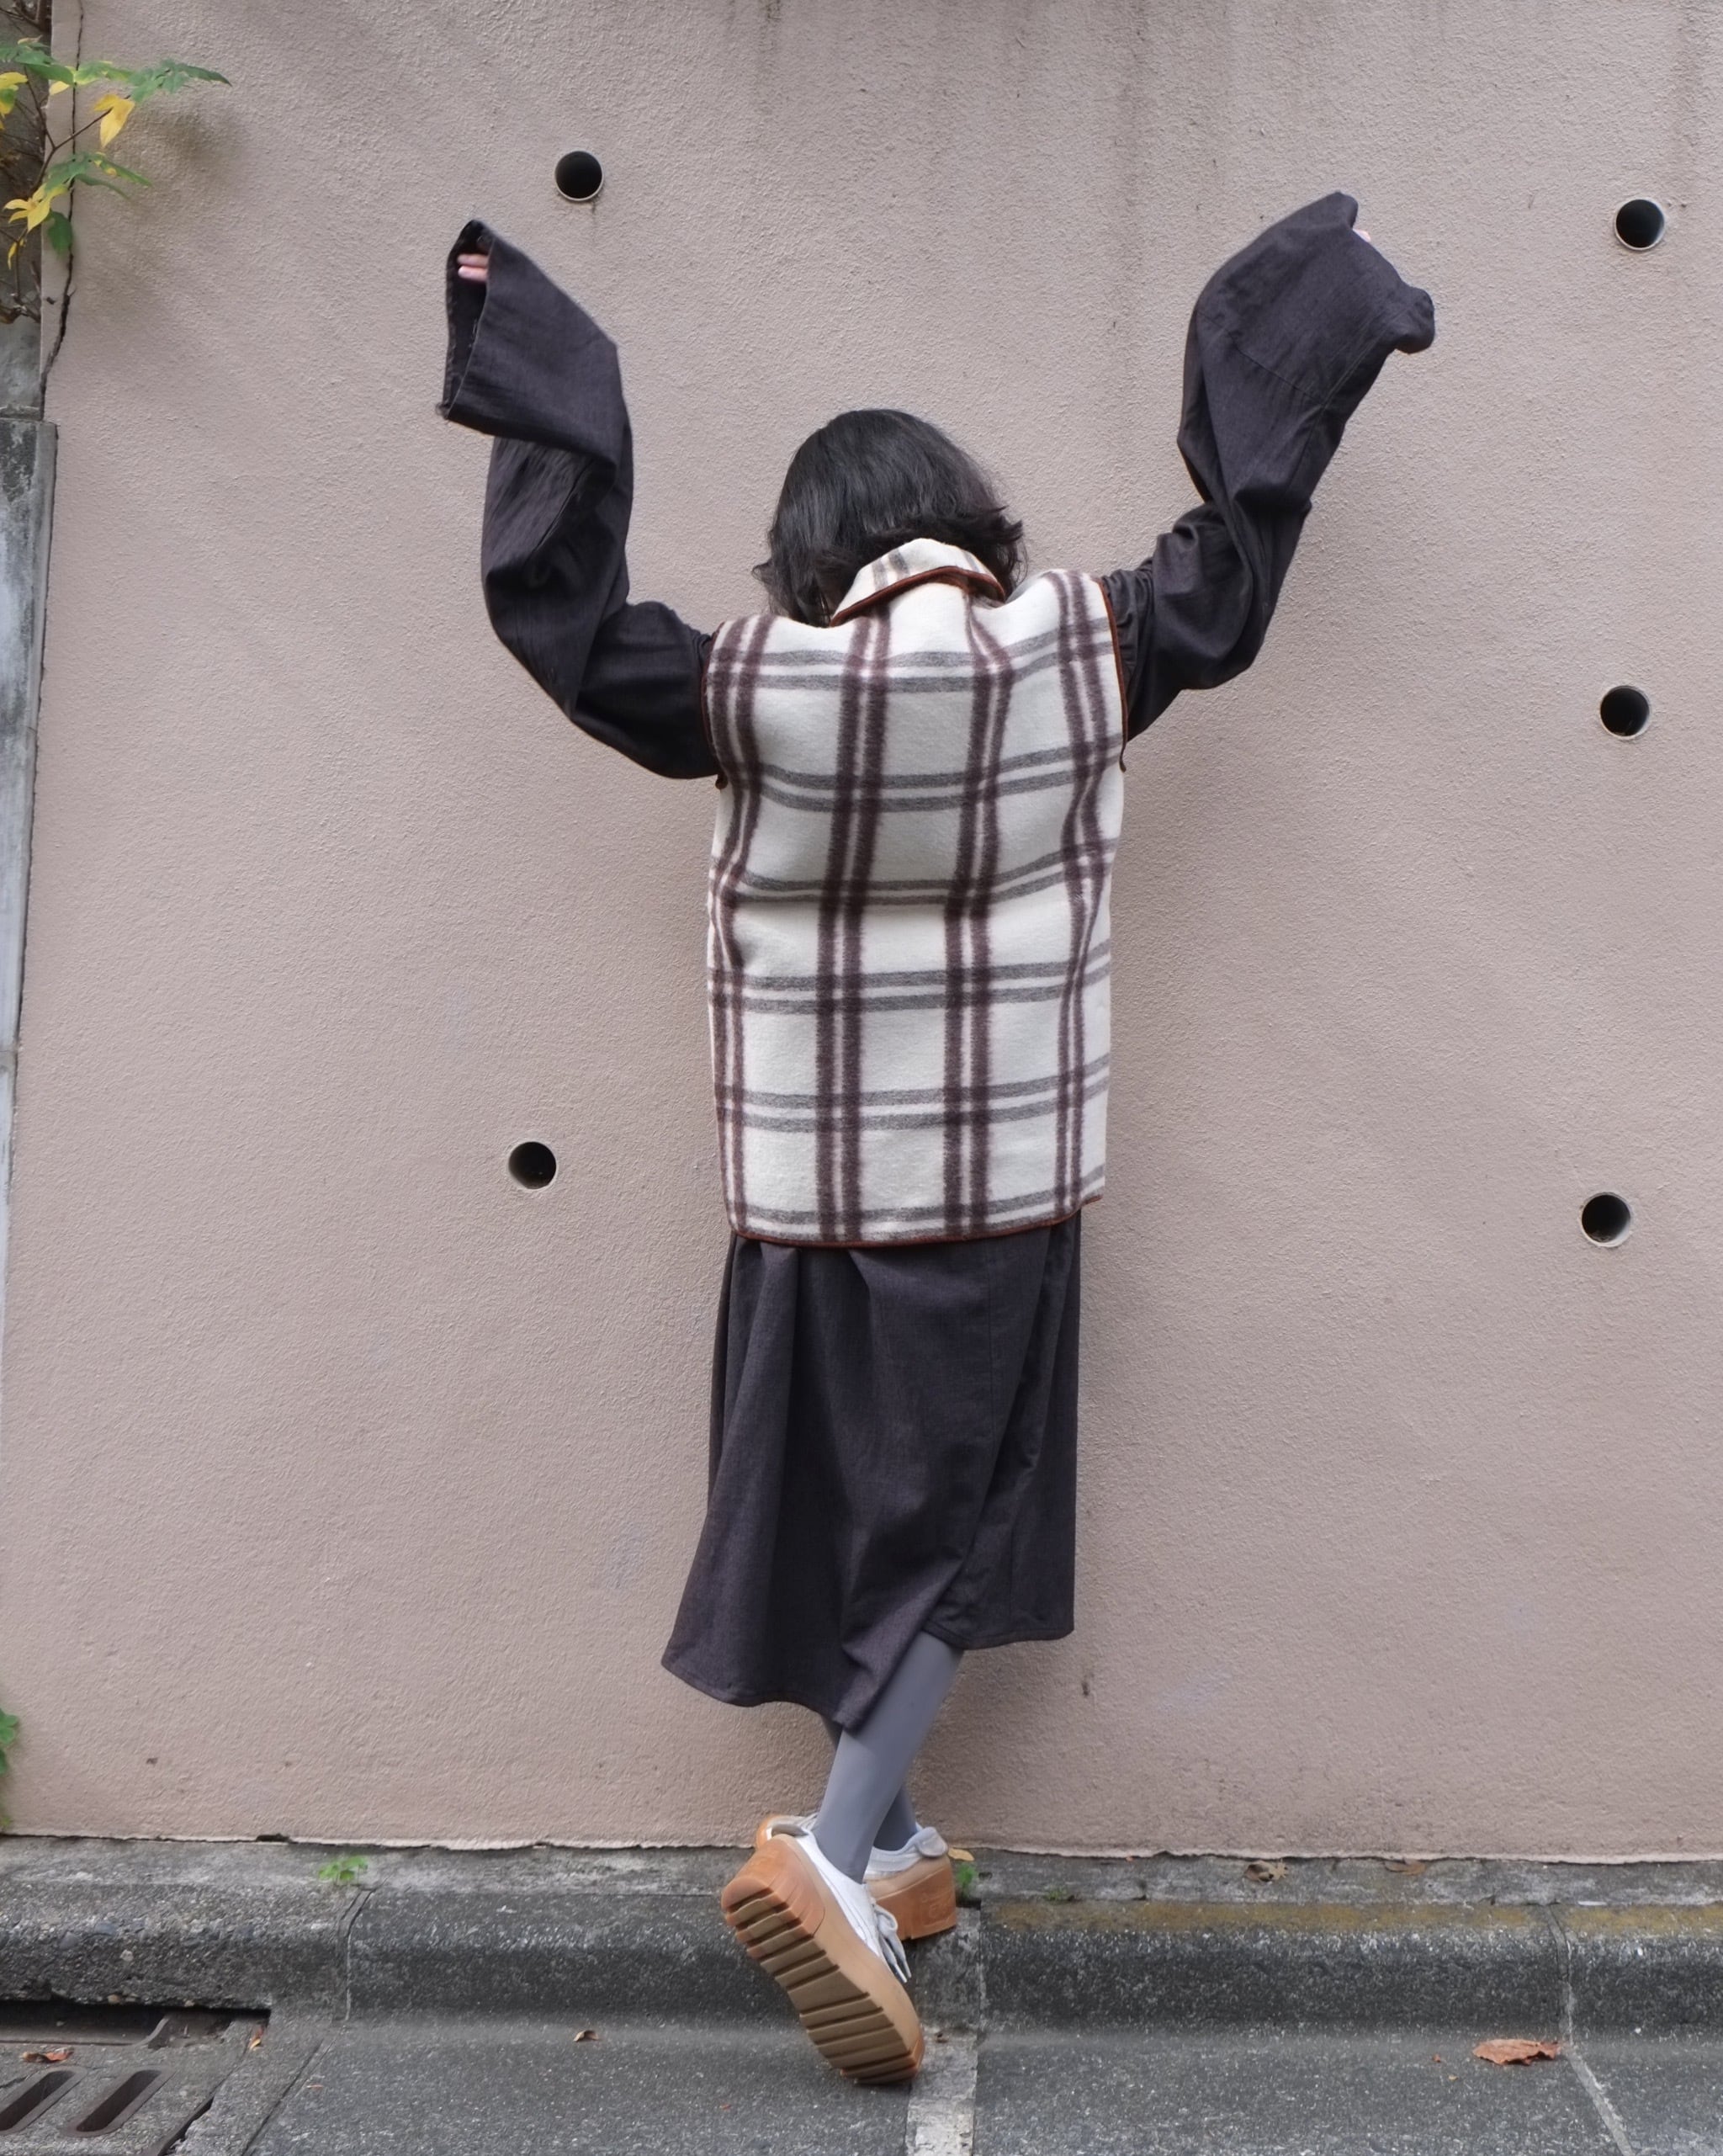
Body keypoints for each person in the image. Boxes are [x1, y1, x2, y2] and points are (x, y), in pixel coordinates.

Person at [440, 193, 1434, 2085]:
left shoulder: (754, 683)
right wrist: (1317, 326)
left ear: (811, 554)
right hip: (994, 1203)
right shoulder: (1081, 648)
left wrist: (541, 383)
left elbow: (571, 634)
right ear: (969, 522)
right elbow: (1228, 569)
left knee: (846, 1516)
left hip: (802, 1207)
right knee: (949, 1531)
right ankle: (830, 1853)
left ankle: (889, 1843)